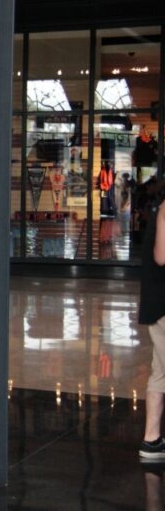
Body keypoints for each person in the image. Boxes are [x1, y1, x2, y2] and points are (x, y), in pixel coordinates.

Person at [139, 180, 165, 460]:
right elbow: (162, 255)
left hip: (158, 304)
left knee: (161, 370)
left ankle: (151, 440)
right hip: (163, 303)